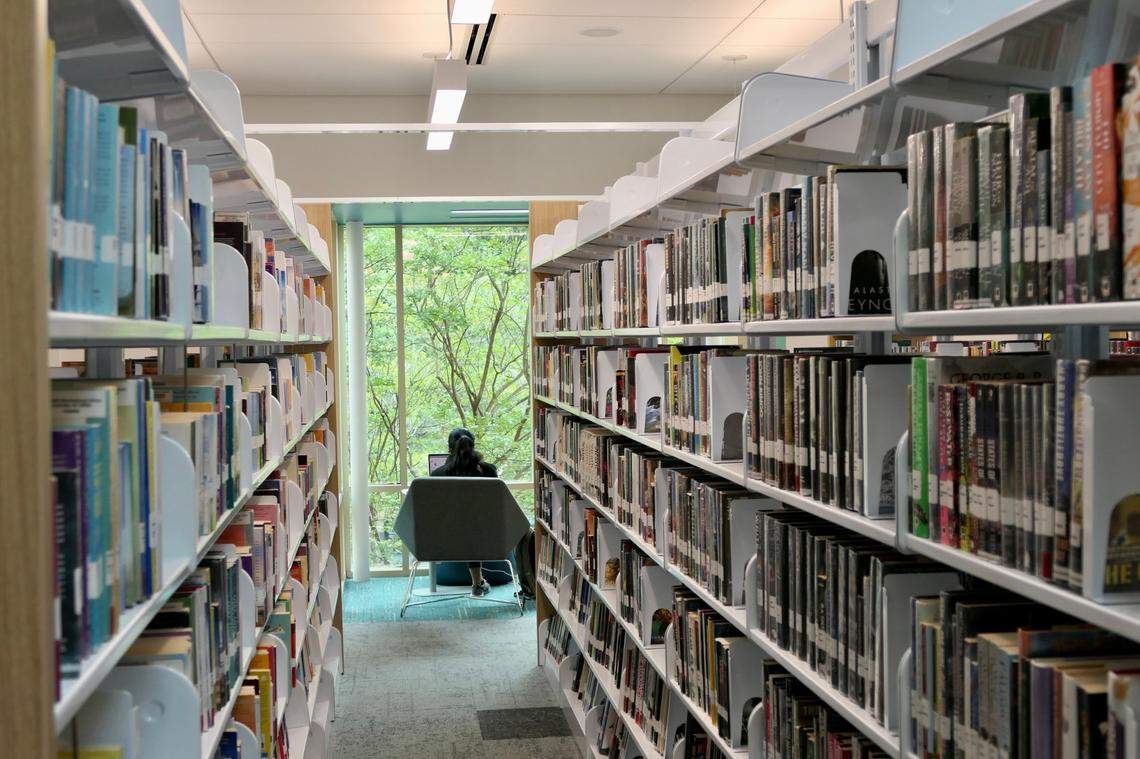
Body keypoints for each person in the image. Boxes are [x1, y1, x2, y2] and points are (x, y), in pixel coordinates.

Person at [430, 428, 535, 600]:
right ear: (473, 446)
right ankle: (526, 585)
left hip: (443, 544)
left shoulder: (436, 475)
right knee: (521, 527)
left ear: (449, 449)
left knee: (466, 529)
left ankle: (478, 582)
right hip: (491, 541)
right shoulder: (489, 472)